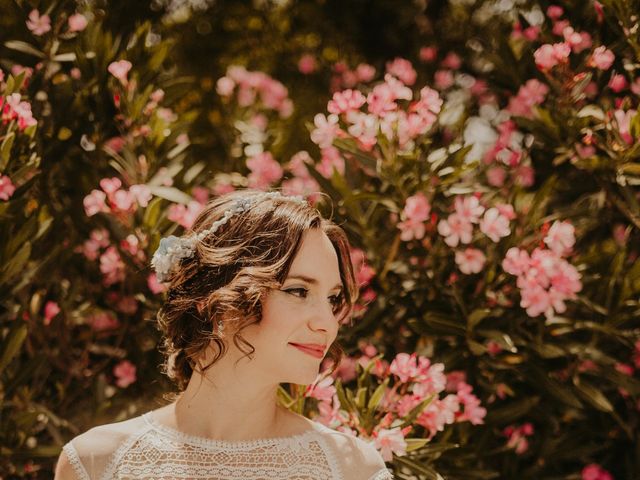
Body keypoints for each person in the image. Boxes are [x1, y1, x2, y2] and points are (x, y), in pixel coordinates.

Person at [55, 189, 393, 479]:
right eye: (298, 291)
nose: (328, 323)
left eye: (332, 299)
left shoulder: (352, 470)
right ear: (213, 298)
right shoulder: (96, 464)